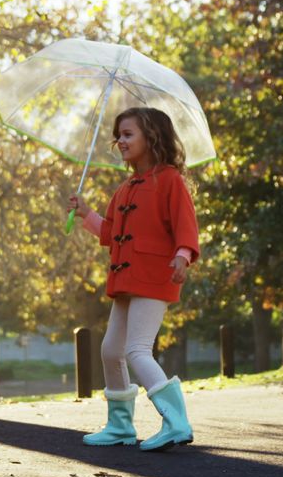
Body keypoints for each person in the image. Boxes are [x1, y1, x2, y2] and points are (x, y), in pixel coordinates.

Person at [68, 106, 199, 452]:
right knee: (111, 350)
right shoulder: (126, 189)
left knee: (137, 350)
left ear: (151, 138)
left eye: (128, 135)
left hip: (156, 275)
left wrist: (183, 255)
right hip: (126, 279)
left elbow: (187, 227)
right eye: (119, 135)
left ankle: (176, 422)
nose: (120, 141)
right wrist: (86, 213)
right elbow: (112, 233)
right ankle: (120, 426)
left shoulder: (170, 180)